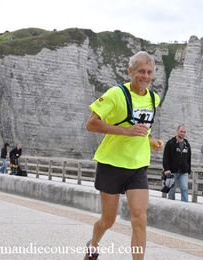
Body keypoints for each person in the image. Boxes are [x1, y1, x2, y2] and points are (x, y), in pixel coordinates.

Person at [85, 51, 163, 260]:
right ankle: (93, 245)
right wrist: (126, 131)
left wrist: (150, 140)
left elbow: (142, 128)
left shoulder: (153, 99)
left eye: (149, 72)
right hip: (111, 163)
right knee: (108, 220)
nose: (145, 76)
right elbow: (91, 124)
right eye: (140, 71)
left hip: (137, 166)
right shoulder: (115, 94)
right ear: (130, 72)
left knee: (140, 218)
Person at [162, 124, 191, 202]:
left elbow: (189, 158)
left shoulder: (187, 144)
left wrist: (189, 169)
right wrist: (166, 169)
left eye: (184, 132)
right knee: (172, 190)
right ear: (177, 131)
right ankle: (171, 206)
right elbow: (165, 157)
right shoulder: (170, 143)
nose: (183, 133)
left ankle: (185, 207)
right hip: (172, 171)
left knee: (184, 188)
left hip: (183, 171)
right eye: (181, 131)